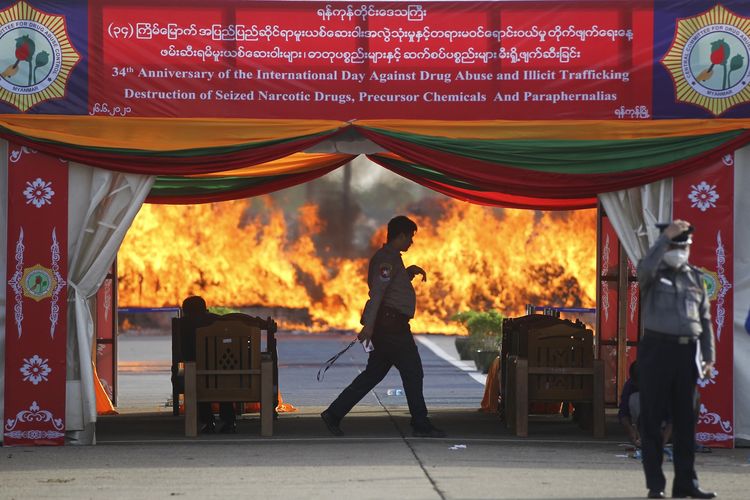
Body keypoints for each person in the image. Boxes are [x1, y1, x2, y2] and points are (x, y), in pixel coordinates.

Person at [321, 216, 445, 438]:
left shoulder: (393, 260)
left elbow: (391, 286)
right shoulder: (386, 260)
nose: (411, 243)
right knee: (413, 371)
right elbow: (378, 292)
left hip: (388, 327)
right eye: (410, 237)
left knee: (373, 375)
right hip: (391, 328)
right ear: (400, 236)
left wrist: (408, 273)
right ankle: (420, 423)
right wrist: (369, 327)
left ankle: (334, 413)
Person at [636, 220, 716, 499]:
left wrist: (708, 357)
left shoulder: (695, 277)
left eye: (683, 246)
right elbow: (644, 269)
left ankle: (686, 484)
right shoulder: (653, 273)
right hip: (657, 351)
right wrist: (662, 240)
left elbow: (704, 321)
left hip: (687, 353)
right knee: (652, 421)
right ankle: (655, 486)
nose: (678, 251)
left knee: (685, 423)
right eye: (673, 245)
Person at [181, 295, 237, 434]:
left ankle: (208, 421)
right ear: (205, 309)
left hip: (198, 371)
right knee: (224, 383)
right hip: (223, 370)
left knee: (198, 381)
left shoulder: (183, 324)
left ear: (185, 311)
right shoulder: (219, 321)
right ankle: (229, 421)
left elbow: (184, 353)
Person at [619, 361, 672, 455]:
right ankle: (643, 433)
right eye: (637, 384)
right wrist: (630, 429)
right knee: (635, 398)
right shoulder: (630, 385)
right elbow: (623, 413)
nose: (639, 386)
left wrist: (663, 441)